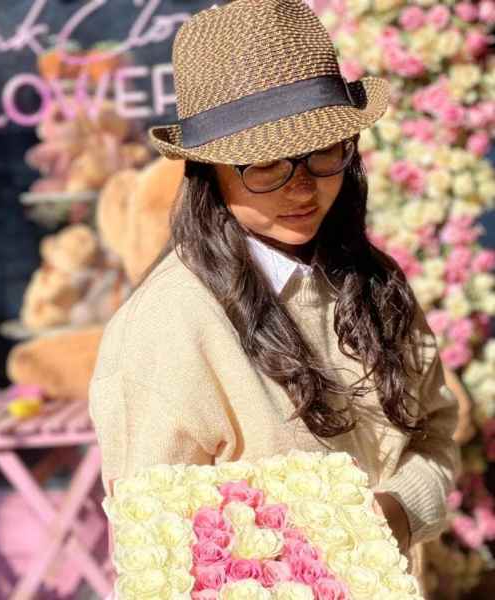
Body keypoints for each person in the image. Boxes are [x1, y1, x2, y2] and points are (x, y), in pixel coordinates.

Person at [90, 0, 459, 579]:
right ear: (208, 170)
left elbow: (435, 433)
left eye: (323, 151)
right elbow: (159, 557)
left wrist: (398, 514)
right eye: (265, 165)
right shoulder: (168, 327)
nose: (302, 187)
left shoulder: (374, 281)